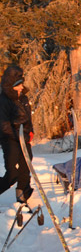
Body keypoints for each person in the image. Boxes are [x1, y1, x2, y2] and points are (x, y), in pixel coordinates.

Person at [0, 64, 34, 203]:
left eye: (21, 84)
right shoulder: (3, 101)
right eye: (18, 85)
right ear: (11, 86)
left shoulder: (23, 99)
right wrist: (16, 137)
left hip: (24, 138)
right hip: (10, 140)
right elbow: (3, 124)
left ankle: (22, 198)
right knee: (12, 173)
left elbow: (28, 119)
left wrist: (30, 133)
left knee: (26, 168)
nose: (21, 87)